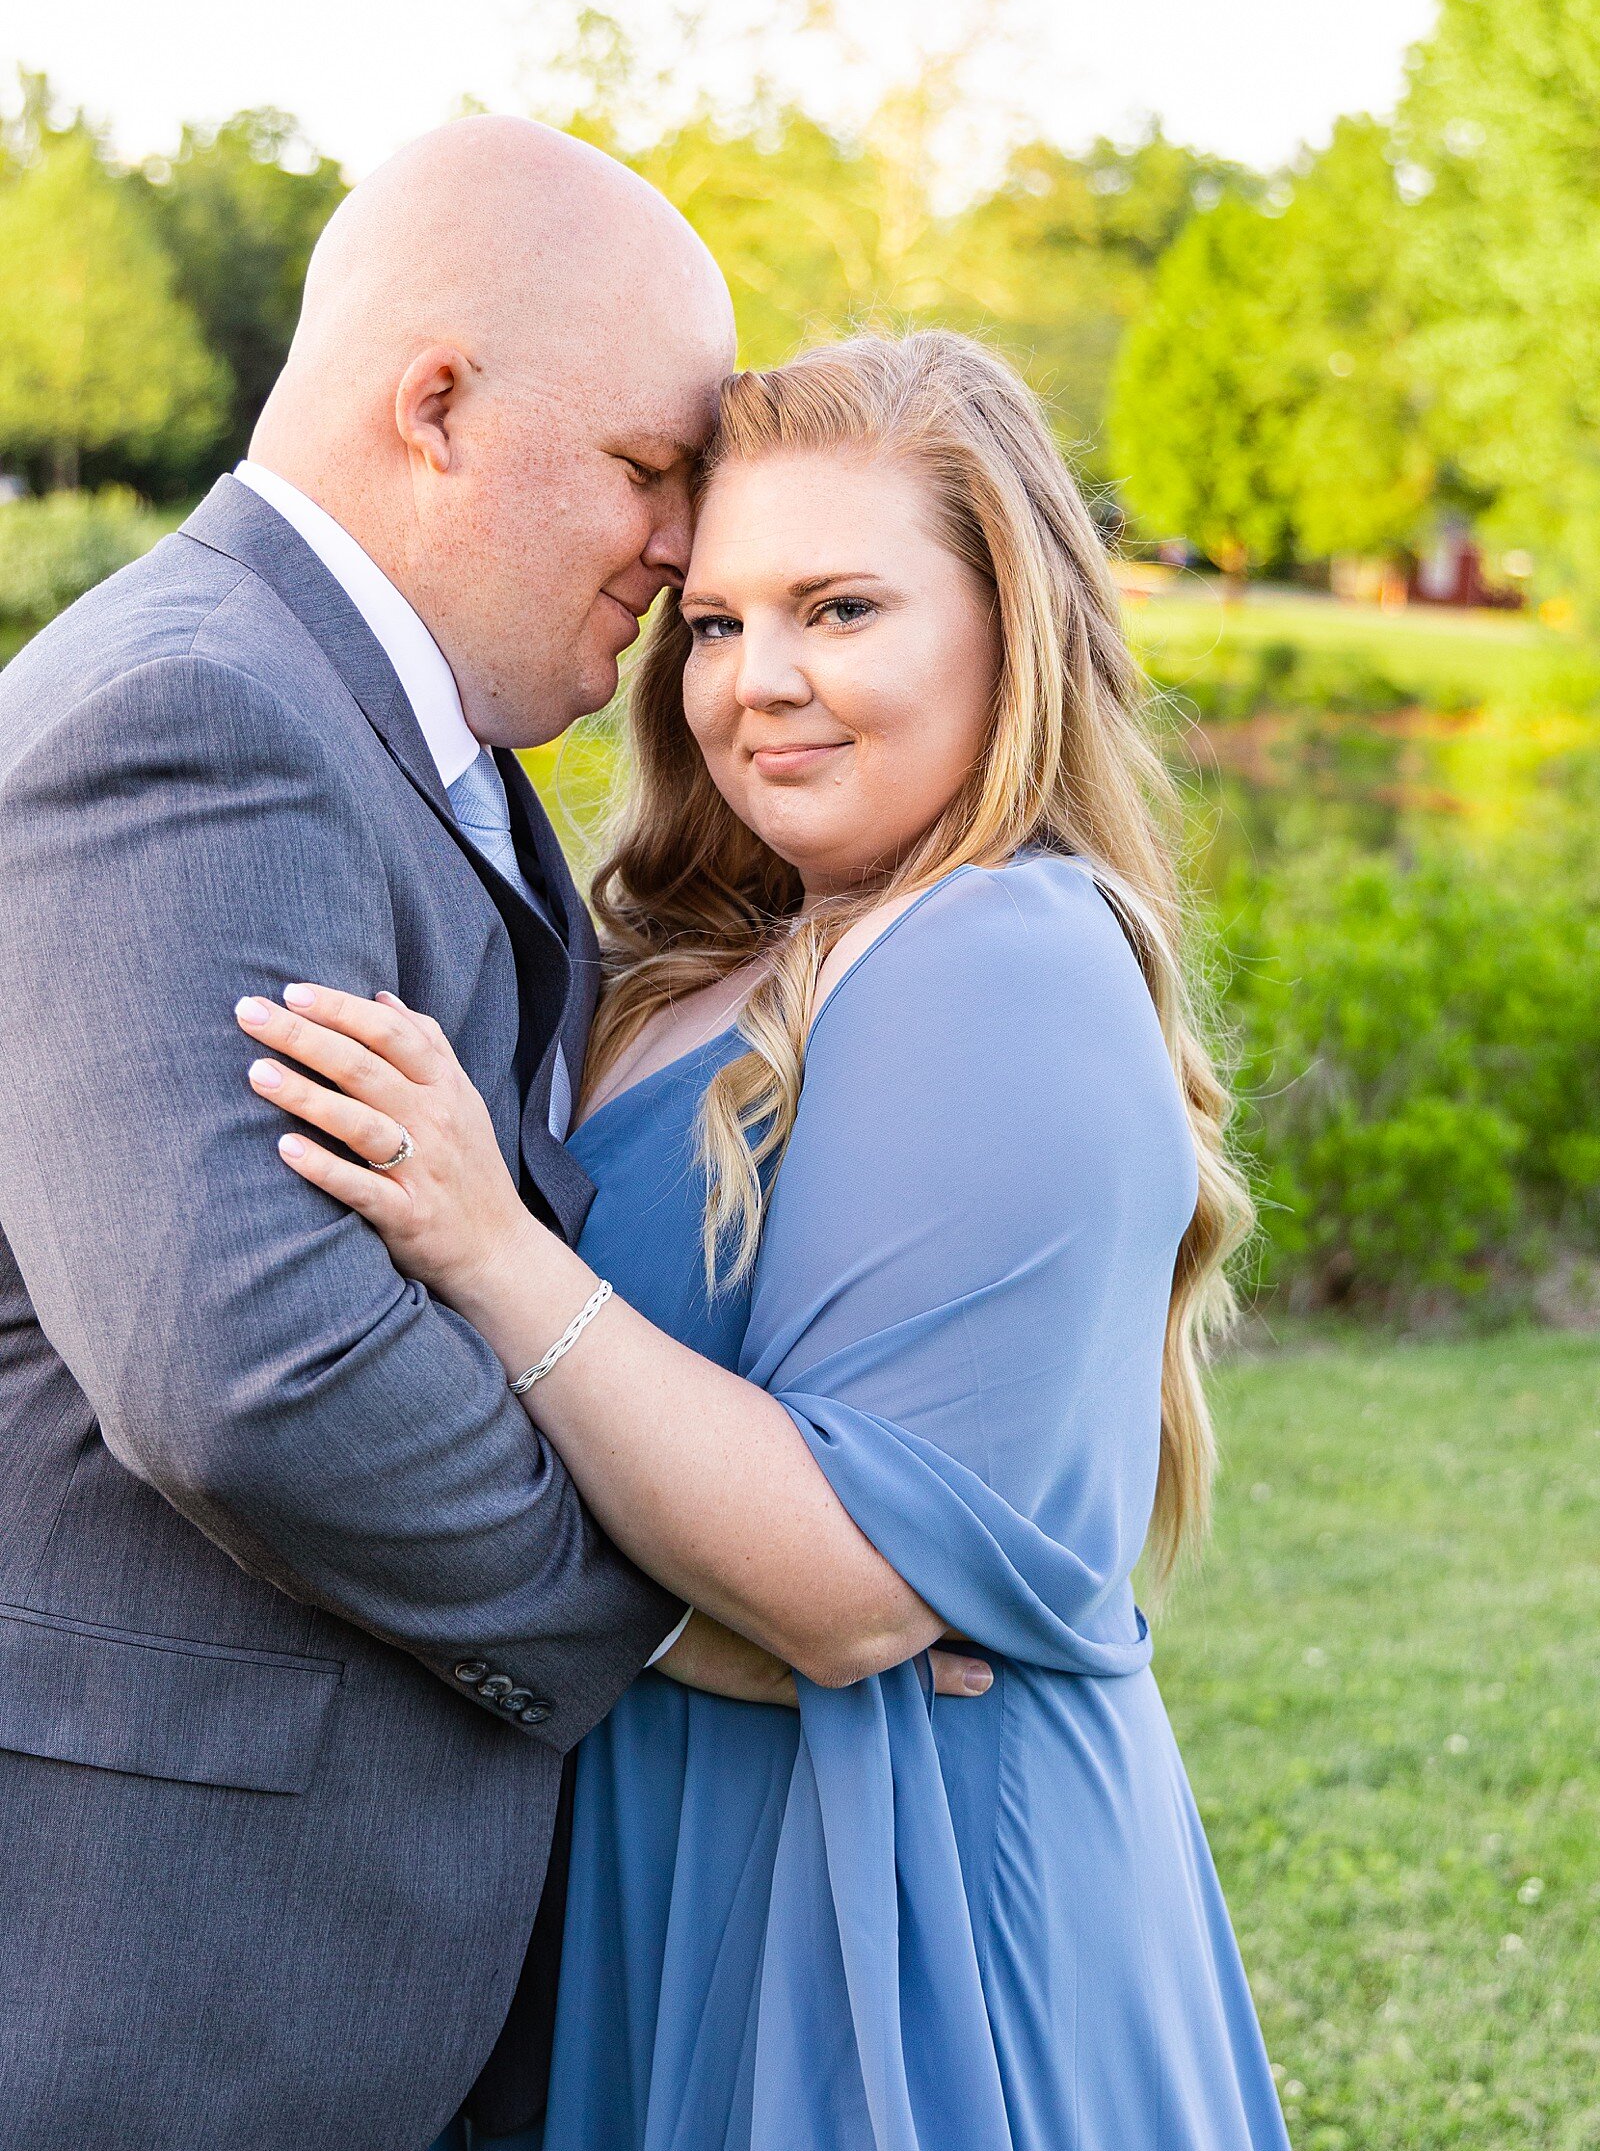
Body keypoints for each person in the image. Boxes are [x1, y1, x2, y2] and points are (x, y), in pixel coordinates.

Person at [0, 122, 986, 2151]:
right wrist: (670, 1619)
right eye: (644, 471)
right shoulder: (194, 714)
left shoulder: (405, 735)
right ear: (434, 403)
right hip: (176, 1973)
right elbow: (258, 1371)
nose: (673, 553)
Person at [237, 330, 1293, 2150]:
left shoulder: (1002, 954)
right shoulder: (694, 957)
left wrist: (493, 1246)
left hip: (896, 1890)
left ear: (1008, 626)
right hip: (691, 1826)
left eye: (840, 608)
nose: (759, 683)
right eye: (715, 623)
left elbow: (850, 1583)